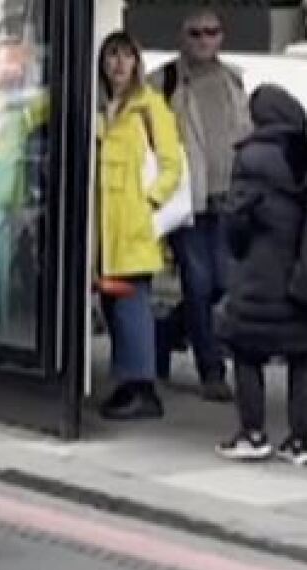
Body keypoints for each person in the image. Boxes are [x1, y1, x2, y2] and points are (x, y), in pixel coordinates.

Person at [215, 85, 307, 466]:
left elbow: (237, 221)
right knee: (303, 358)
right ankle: (299, 443)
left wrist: (236, 243)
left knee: (246, 350)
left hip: (261, 277)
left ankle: (253, 433)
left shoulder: (251, 158)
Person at [149, 9, 252, 401]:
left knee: (222, 284)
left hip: (226, 194)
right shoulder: (164, 81)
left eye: (212, 32)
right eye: (196, 33)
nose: (205, 40)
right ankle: (212, 370)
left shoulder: (233, 80)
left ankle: (168, 332)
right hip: (185, 198)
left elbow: (244, 133)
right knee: (198, 281)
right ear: (182, 36)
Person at [95, 31, 183, 421]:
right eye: (112, 55)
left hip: (132, 225)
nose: (118, 64)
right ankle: (128, 381)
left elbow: (172, 164)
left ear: (137, 62)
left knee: (132, 307)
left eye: (126, 56)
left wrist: (149, 202)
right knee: (113, 305)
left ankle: (142, 386)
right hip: (103, 229)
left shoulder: (150, 107)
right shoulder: (102, 109)